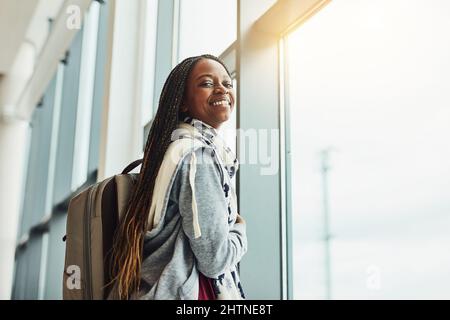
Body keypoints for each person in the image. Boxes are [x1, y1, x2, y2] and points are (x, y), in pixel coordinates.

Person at [108, 54, 248, 300]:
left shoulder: (176, 149)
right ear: (183, 102)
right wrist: (239, 231)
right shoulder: (197, 156)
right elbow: (214, 260)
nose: (221, 89)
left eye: (227, 83)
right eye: (207, 83)